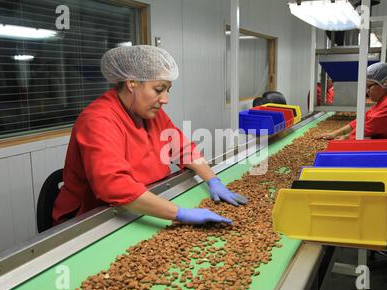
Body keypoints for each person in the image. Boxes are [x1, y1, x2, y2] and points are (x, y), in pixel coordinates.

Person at [53, 45, 247, 226]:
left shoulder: (150, 113)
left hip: (144, 200)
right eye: (158, 89)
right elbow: (114, 186)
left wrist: (212, 180)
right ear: (132, 83)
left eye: (168, 90)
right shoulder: (98, 120)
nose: (165, 99)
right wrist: (181, 214)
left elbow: (182, 148)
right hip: (94, 216)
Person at [317, 63, 387, 239]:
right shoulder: (386, 99)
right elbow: (361, 122)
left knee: (353, 179)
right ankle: (384, 218)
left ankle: (382, 224)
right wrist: (335, 133)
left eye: (369, 87)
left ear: (384, 84)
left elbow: (366, 131)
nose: (367, 93)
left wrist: (339, 143)